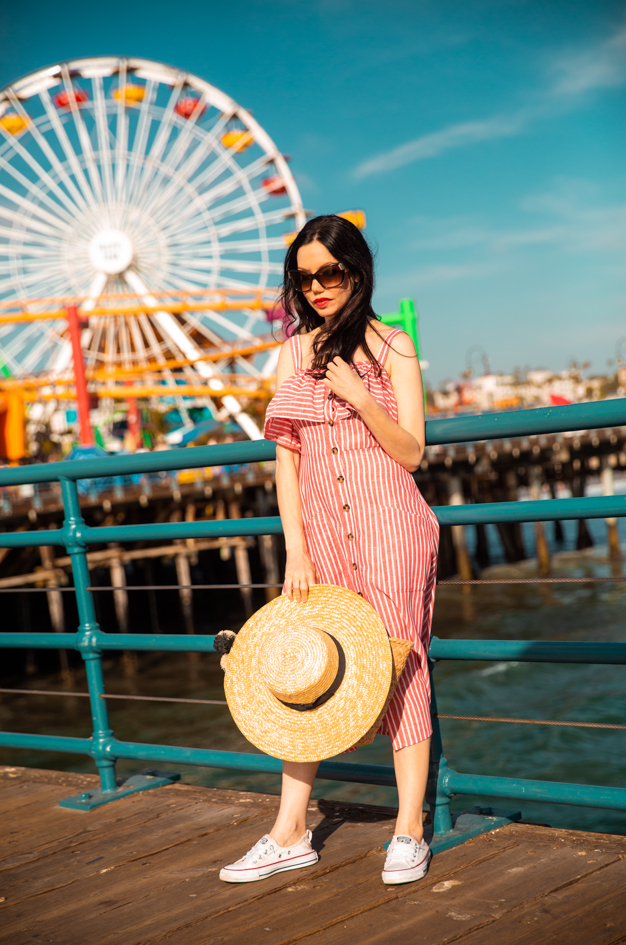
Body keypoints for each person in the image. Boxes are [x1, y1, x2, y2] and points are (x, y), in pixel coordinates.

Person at [220, 215, 439, 886]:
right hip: (319, 540)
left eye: (329, 273)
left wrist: (358, 397)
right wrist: (295, 549)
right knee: (310, 670)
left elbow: (413, 452)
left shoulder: (393, 346)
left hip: (393, 527)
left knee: (401, 663)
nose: (316, 287)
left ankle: (408, 830)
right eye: (303, 276)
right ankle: (290, 831)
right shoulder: (291, 353)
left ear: (355, 271)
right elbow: (285, 459)